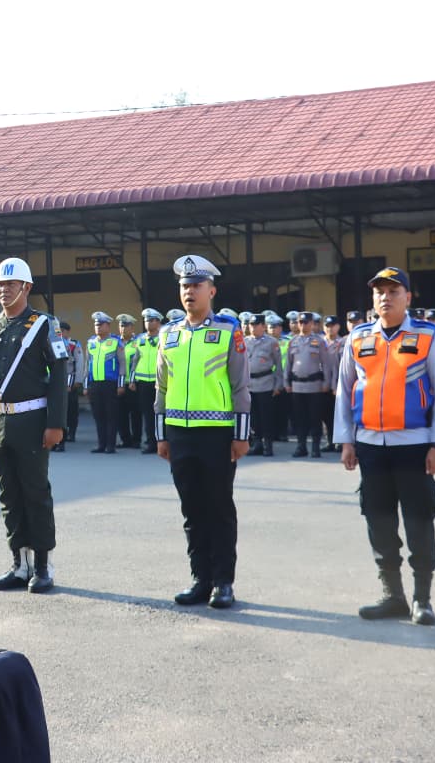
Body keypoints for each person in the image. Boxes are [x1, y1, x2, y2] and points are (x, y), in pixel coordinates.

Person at [334, 267, 435, 626]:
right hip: (371, 446)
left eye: (393, 290)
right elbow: (344, 390)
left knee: (419, 521)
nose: (385, 297)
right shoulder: (357, 338)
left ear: (408, 297)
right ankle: (392, 596)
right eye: (379, 291)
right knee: (379, 521)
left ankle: (422, 599)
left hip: (414, 446)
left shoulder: (428, 337)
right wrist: (346, 440)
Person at [156, 254, 249, 609]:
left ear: (212, 290)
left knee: (219, 508)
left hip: (218, 433)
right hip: (180, 434)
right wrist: (161, 434)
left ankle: (223, 582)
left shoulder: (227, 331)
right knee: (192, 510)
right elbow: (161, 389)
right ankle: (200, 579)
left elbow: (241, 386)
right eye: (184, 286)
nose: (189, 292)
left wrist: (241, 435)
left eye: (196, 286)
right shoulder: (170, 334)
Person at [0, 257, 68, 593]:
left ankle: (42, 566)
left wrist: (56, 423)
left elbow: (58, 375)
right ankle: (18, 564)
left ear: (26, 287)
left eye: (10, 285)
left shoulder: (43, 324)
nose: (3, 290)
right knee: (8, 495)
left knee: (35, 493)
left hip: (31, 421)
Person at [285, 312, 334, 457]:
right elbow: (288, 364)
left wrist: (326, 382)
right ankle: (301, 446)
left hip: (315, 385)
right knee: (300, 418)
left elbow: (325, 364)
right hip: (297, 385)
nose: (303, 325)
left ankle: (315, 447)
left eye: (306, 322)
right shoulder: (292, 341)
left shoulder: (319, 341)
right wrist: (286, 382)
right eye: (300, 322)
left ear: (312, 324)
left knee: (315, 417)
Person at [84, 311, 125, 453]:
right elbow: (87, 365)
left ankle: (110, 445)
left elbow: (122, 364)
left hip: (110, 384)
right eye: (96, 325)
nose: (98, 327)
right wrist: (85, 385)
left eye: (101, 325)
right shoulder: (91, 343)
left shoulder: (115, 342)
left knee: (111, 416)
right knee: (98, 415)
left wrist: (120, 384)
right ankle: (101, 444)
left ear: (108, 326)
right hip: (95, 384)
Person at [245, 314, 283, 456]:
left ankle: (268, 444)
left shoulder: (271, 342)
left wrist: (278, 384)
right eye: (251, 325)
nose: (253, 328)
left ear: (263, 326)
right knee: (253, 416)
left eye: (256, 325)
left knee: (266, 416)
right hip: (249, 384)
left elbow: (278, 365)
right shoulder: (245, 341)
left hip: (266, 383)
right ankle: (257, 443)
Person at [129, 308, 164, 454]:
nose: (147, 323)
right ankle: (151, 443)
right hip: (143, 382)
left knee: (161, 413)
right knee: (148, 415)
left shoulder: (164, 337)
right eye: (146, 320)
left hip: (159, 382)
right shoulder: (140, 339)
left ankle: (162, 441)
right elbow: (135, 361)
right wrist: (132, 380)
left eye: (150, 320)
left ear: (158, 322)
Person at [58, 321, 85, 450]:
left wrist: (78, 381)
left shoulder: (73, 344)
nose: (61, 333)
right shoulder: (55, 343)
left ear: (68, 332)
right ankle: (63, 433)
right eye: (59, 331)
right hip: (58, 382)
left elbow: (79, 363)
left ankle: (72, 432)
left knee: (72, 410)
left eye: (63, 331)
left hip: (71, 382)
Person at [321, 315, 346, 452]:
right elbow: (317, 364)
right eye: (327, 326)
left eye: (332, 325)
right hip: (323, 384)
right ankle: (329, 440)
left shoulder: (342, 342)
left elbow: (343, 366)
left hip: (338, 384)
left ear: (338, 327)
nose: (330, 328)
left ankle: (340, 442)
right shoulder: (320, 342)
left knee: (340, 414)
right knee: (326, 415)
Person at [116, 313, 142, 448]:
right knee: (121, 413)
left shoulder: (138, 342)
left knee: (135, 413)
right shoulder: (116, 342)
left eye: (126, 326)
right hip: (119, 383)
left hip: (133, 384)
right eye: (121, 326)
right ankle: (125, 439)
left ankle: (136, 439)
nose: (123, 329)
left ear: (132, 328)